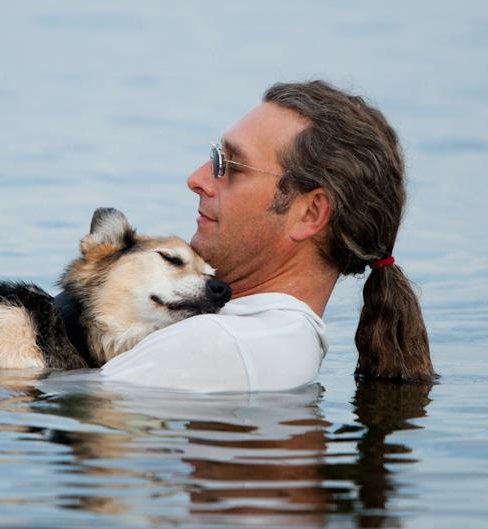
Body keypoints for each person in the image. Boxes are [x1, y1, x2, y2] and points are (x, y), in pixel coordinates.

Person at [101, 80, 437, 392]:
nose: (197, 179)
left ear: (310, 214)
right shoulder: (276, 339)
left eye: (230, 165)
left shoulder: (219, 344)